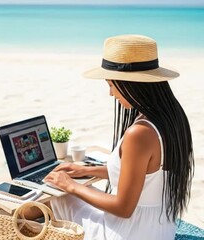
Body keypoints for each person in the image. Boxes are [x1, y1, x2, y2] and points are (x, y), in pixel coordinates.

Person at [43, 34, 194, 240]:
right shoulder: (172, 118)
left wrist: (69, 185)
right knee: (74, 191)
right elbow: (142, 174)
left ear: (129, 83)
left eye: (111, 85)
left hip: (129, 233)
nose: (111, 94)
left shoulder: (139, 133)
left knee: (59, 197)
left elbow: (123, 208)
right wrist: (85, 170)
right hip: (159, 231)